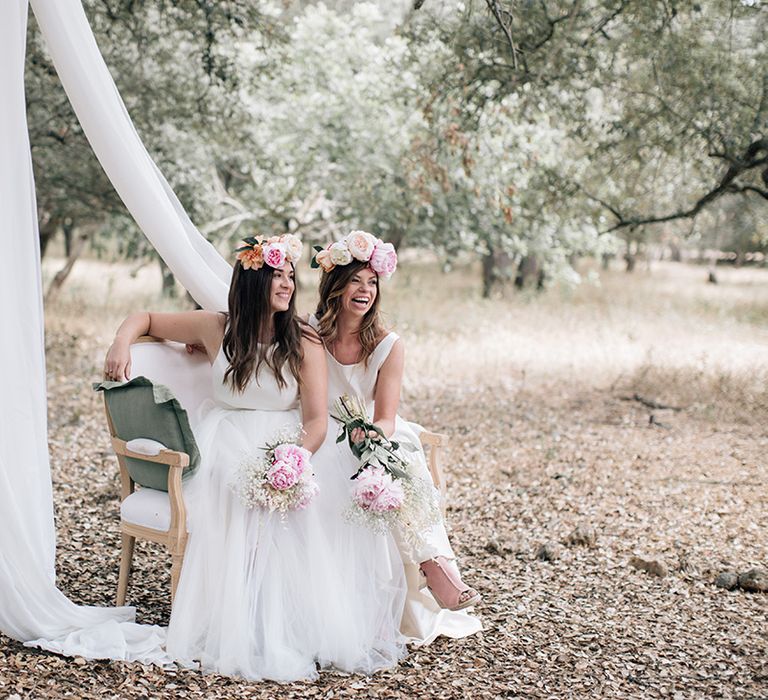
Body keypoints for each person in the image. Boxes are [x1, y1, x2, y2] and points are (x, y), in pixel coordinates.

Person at [103, 234, 403, 680]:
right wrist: (121, 343)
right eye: (276, 276)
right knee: (230, 484)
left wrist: (294, 460)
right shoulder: (217, 327)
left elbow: (317, 421)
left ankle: (277, 620)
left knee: (291, 505)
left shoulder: (304, 339)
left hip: (285, 443)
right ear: (252, 282)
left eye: (289, 276)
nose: (286, 284)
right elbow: (144, 317)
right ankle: (227, 613)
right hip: (223, 437)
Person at [310, 231, 483, 645]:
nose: (365, 291)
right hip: (323, 428)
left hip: (374, 428)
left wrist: (368, 439)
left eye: (372, 283)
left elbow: (386, 417)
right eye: (356, 281)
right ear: (336, 286)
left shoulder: (388, 344)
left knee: (394, 465)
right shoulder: (310, 335)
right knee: (344, 466)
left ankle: (436, 565)